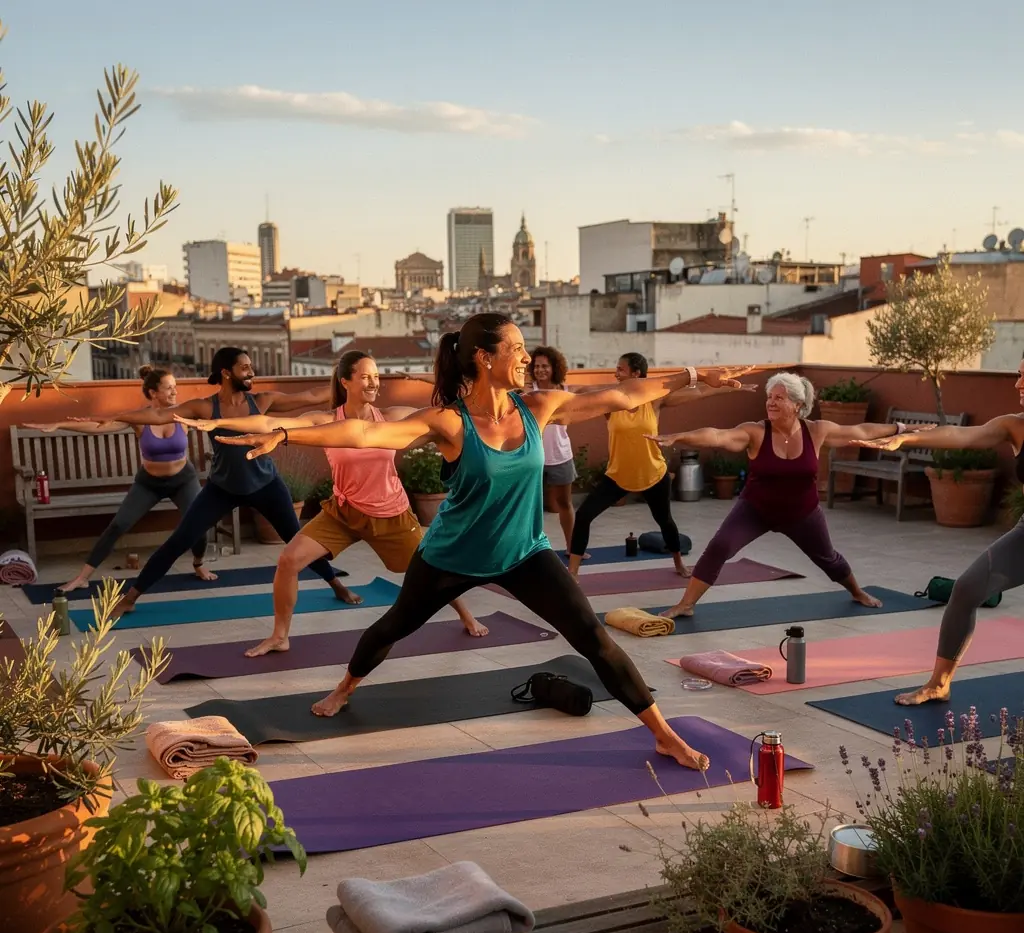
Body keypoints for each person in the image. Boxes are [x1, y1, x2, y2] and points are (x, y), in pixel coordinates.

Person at [211, 312, 751, 770]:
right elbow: (367, 433)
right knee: (395, 625)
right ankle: (346, 685)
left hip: (524, 552)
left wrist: (694, 375)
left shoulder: (539, 407)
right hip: (452, 554)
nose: (525, 357)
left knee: (592, 634)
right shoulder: (450, 422)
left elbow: (623, 393)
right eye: (515, 349)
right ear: (483, 358)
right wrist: (287, 433)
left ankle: (660, 730)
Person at [175, 350, 487, 656]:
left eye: (376, 377)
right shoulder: (326, 420)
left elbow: (444, 415)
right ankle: (280, 636)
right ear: (346, 382)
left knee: (430, 570)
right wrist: (219, 423)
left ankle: (466, 615)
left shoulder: (391, 417)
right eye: (365, 377)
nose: (374, 383)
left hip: (391, 515)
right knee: (288, 561)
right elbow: (268, 422)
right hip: (343, 512)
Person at [93, 347, 358, 615]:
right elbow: (161, 415)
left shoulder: (262, 401)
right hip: (222, 488)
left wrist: (348, 382)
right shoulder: (206, 407)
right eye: (244, 367)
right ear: (226, 373)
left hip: (265, 484)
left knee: (297, 537)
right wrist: (116, 416)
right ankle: (130, 598)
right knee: (179, 540)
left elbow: (311, 396)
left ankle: (335, 584)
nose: (251, 372)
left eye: (250, 366)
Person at [648, 372, 901, 618]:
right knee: (720, 546)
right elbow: (717, 435)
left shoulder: (816, 431)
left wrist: (899, 428)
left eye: (779, 398)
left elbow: (861, 432)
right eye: (770, 396)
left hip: (803, 513)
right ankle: (686, 604)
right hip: (755, 510)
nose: (771, 402)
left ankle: (857, 592)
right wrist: (680, 436)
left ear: (797, 405)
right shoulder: (756, 432)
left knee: (828, 558)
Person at [851, 368, 1024, 705]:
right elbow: (962, 436)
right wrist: (908, 438)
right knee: (967, 589)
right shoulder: (1016, 425)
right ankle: (939, 684)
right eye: (1019, 374)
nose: (1018, 383)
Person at [24, 366, 216, 593]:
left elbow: (220, 417)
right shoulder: (140, 419)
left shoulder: (185, 414)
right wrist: (59, 424)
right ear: (154, 393)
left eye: (176, 387)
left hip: (183, 480)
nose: (175, 393)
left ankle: (199, 564)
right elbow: (100, 426)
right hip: (149, 483)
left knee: (199, 524)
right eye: (169, 389)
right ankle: (82, 578)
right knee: (118, 525)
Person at [566, 352, 724, 579]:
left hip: (653, 474)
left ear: (636, 374)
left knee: (664, 521)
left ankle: (679, 562)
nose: (615, 373)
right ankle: (572, 572)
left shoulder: (655, 399)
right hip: (618, 476)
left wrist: (731, 386)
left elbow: (699, 391)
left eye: (620, 369)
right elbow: (579, 392)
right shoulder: (612, 401)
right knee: (583, 516)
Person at [528, 346, 580, 556]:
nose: (540, 370)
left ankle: (572, 548)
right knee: (530, 508)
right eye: (537, 366)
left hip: (560, 456)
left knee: (564, 504)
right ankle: (529, 551)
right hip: (533, 458)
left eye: (545, 366)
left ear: (554, 368)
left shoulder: (566, 392)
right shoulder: (527, 392)